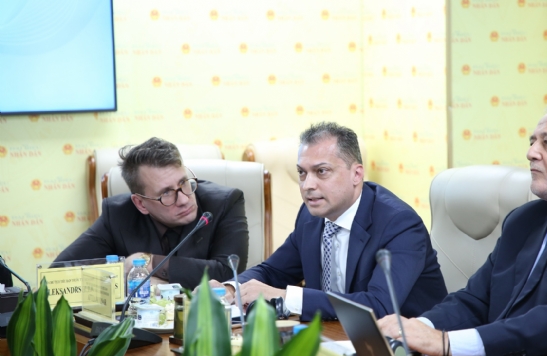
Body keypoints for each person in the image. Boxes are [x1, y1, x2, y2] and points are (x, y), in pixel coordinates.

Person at [378, 102, 547, 356]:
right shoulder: (524, 219)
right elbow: (475, 299)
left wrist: (446, 343)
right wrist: (414, 328)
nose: (531, 153)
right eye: (532, 142)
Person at [210, 122, 448, 321]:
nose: (307, 185)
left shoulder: (399, 224)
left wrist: (285, 297)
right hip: (335, 337)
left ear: (356, 174)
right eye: (302, 173)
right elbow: (274, 271)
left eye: (321, 171)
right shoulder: (310, 215)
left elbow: (378, 305)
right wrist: (231, 288)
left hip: (410, 350)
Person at [54, 137, 249, 289]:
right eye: (166, 193)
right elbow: (58, 275)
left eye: (183, 182)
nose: (184, 199)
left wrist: (149, 263)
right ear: (141, 203)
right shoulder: (118, 215)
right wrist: (125, 280)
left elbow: (229, 273)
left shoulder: (225, 203)